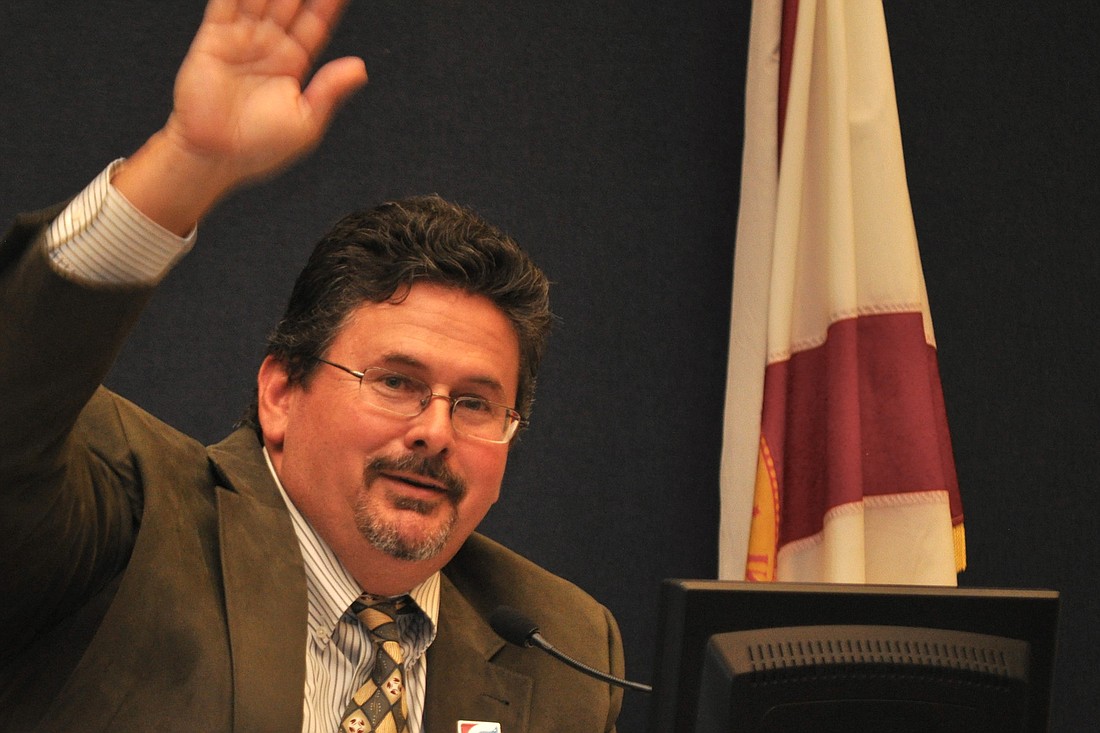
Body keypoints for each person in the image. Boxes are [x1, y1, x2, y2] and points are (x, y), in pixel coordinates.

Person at [0, 1, 625, 731]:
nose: (434, 430)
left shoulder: (563, 645)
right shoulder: (131, 518)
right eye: (397, 382)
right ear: (279, 393)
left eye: (477, 403)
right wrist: (186, 164)